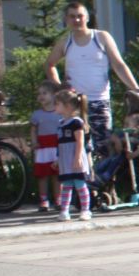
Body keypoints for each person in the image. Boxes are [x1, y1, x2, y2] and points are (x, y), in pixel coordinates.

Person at [44, 1, 139, 193]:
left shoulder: (101, 37)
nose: (76, 20)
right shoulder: (66, 43)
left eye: (80, 15)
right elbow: (49, 64)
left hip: (99, 101)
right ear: (66, 20)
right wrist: (59, 88)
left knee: (105, 146)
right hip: (76, 105)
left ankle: (107, 189)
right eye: (72, 16)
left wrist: (137, 90)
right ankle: (85, 193)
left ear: (87, 17)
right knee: (79, 149)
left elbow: (119, 65)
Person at [54, 87, 91, 221]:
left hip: (75, 158)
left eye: (57, 104)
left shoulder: (76, 122)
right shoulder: (61, 123)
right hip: (65, 159)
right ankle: (64, 211)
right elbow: (59, 143)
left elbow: (80, 141)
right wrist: (58, 159)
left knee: (80, 184)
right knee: (67, 185)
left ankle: (85, 210)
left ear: (68, 106)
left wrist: (77, 158)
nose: (55, 106)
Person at [30, 80, 62, 212]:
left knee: (56, 174)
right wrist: (34, 141)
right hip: (42, 147)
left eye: (45, 93)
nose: (41, 96)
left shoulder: (59, 113)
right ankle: (43, 200)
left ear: (54, 95)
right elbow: (33, 129)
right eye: (39, 94)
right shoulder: (36, 114)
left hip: (56, 146)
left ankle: (58, 199)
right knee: (42, 175)